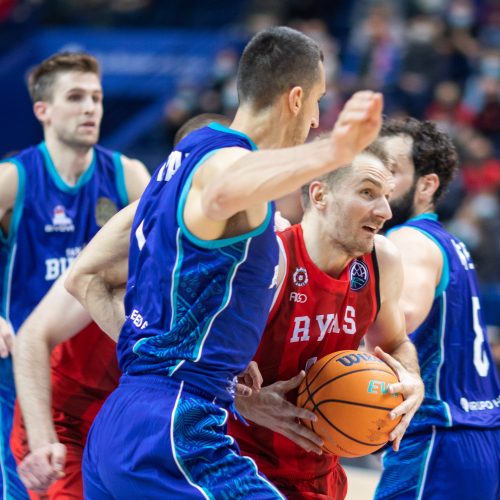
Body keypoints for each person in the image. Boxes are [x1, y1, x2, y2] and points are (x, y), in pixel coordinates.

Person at [66, 26, 383, 498]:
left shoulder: (177, 163)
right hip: (175, 431)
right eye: (318, 101)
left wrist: (195, 363)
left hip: (126, 418)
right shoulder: (224, 164)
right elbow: (221, 192)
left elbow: (84, 277)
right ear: (295, 98)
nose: (317, 118)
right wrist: (336, 151)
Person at [11, 113, 229, 499]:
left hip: (138, 421)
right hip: (67, 425)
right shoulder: (137, 238)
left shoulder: (240, 249)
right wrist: (44, 439)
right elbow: (33, 335)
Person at [228, 141, 424, 499]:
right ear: (320, 195)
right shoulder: (270, 262)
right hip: (238, 466)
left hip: (321, 474)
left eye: (386, 196)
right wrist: (241, 401)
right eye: (368, 192)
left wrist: (411, 378)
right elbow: (180, 367)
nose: (385, 211)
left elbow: (396, 343)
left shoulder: (382, 262)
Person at [0, 51, 150, 499]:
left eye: (97, 98)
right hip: (23, 375)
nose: (90, 108)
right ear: (42, 110)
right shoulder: (14, 179)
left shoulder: (128, 176)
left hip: (97, 375)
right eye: (76, 97)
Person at [375, 118, 500, 500]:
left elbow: (400, 321)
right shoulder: (447, 242)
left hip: (438, 437)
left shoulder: (407, 239)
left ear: (426, 185)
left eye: (391, 171)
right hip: (479, 434)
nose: (379, 181)